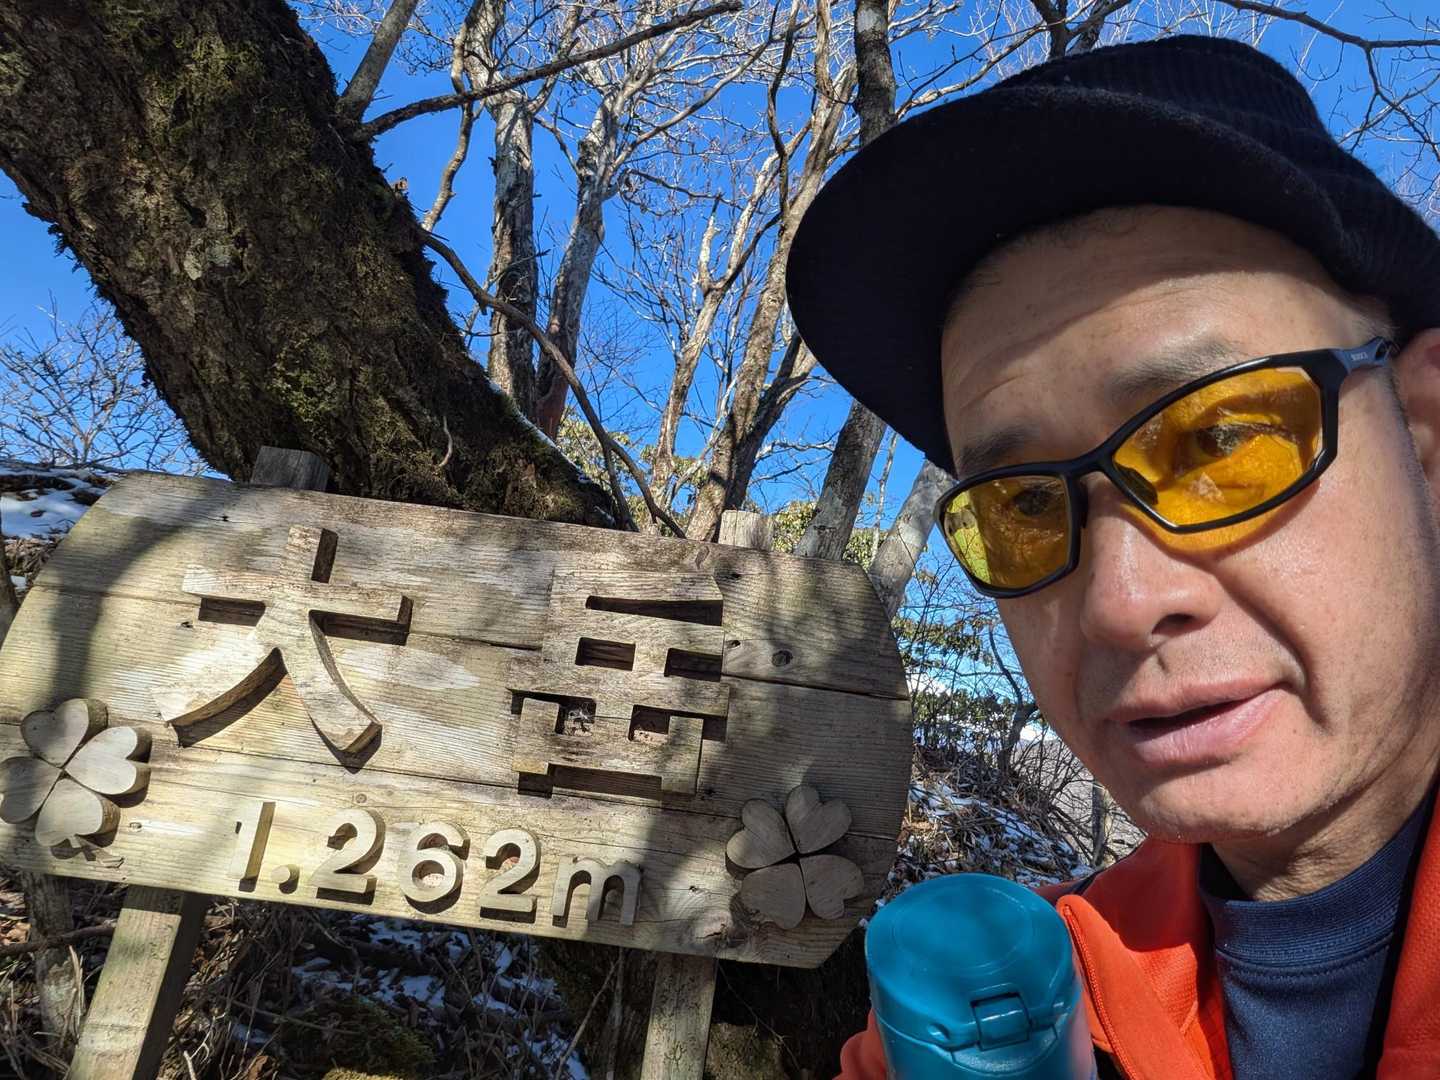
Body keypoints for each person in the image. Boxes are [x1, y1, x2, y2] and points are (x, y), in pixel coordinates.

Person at [784, 35, 1440, 1079]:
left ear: (1424, 433)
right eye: (1022, 504)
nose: (1117, 602)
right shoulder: (1010, 1014)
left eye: (1219, 440)